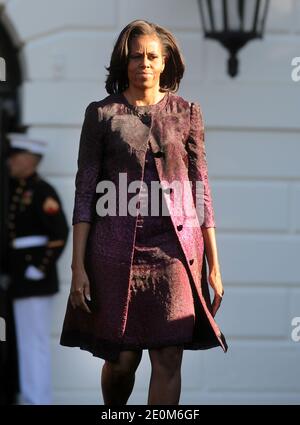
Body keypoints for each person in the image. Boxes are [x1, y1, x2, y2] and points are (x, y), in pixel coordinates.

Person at [60, 19, 228, 405]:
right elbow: (85, 193)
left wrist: (215, 265)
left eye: (152, 56)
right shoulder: (101, 115)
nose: (144, 63)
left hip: (174, 255)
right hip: (114, 255)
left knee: (169, 354)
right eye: (136, 56)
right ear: (124, 62)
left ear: (165, 61)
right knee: (121, 360)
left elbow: (202, 189)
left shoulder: (186, 112)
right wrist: (77, 268)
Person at [6, 134, 69, 404]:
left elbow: (58, 235)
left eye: (15, 157)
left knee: (34, 342)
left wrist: (40, 268)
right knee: (22, 342)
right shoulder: (14, 189)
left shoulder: (43, 191)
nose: (10, 162)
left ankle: (38, 399)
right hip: (17, 278)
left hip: (34, 278)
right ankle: (29, 396)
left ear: (30, 160)